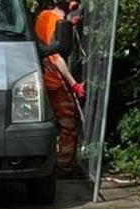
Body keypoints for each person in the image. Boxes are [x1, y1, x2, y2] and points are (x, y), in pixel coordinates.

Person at [34, 0, 83, 176]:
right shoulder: (55, 21)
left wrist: (69, 25)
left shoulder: (43, 16)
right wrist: (74, 84)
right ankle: (64, 167)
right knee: (69, 122)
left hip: (40, 76)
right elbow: (56, 57)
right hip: (53, 79)